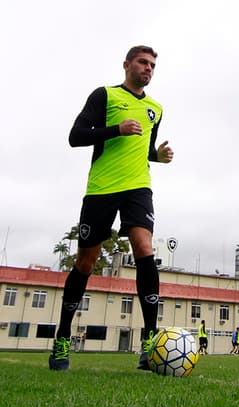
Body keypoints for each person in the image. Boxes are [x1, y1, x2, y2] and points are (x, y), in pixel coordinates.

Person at [48, 45, 174, 371]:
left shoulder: (155, 109)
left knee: (144, 248)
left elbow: (143, 148)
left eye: (152, 65)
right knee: (86, 263)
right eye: (143, 63)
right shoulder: (104, 95)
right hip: (102, 189)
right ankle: (62, 339)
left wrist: (156, 157)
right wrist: (115, 129)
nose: (148, 69)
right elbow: (76, 136)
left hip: (138, 187)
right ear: (127, 64)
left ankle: (149, 341)